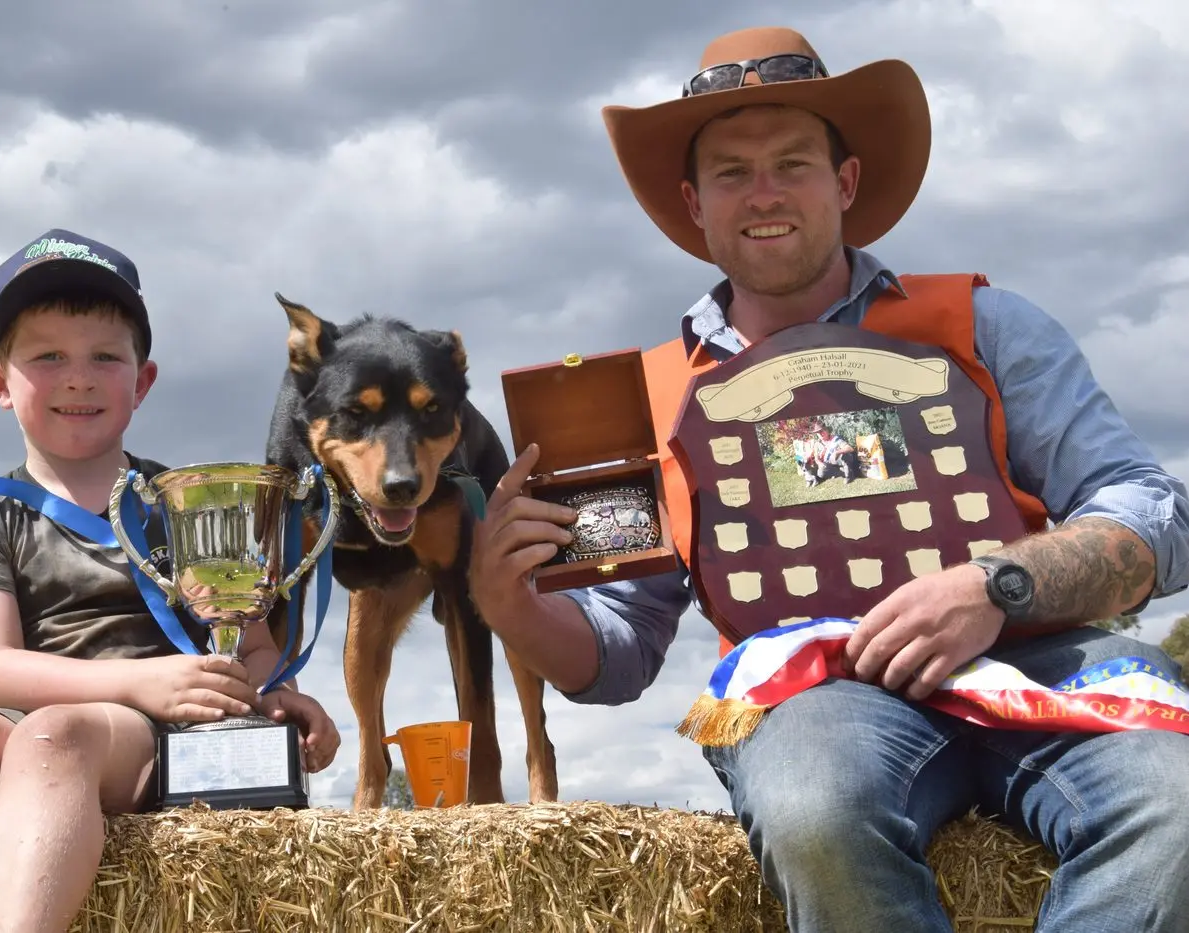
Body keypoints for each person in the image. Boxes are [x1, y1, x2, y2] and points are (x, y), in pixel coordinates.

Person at [468, 26, 1189, 933]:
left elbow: (1150, 515)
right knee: (815, 811)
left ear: (843, 182)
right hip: (812, 688)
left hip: (1044, 661)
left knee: (1181, 811)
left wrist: (995, 585)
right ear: (694, 203)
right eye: (731, 172)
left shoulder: (988, 327)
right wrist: (513, 607)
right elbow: (618, 653)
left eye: (791, 164)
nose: (763, 194)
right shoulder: (636, 401)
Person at [0, 229, 341, 933]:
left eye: (104, 356)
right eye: (47, 356)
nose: (78, 376)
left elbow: (254, 642)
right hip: (22, 721)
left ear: (141, 381)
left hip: (140, 735)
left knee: (55, 734)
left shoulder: (192, 504)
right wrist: (136, 680)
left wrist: (276, 697)